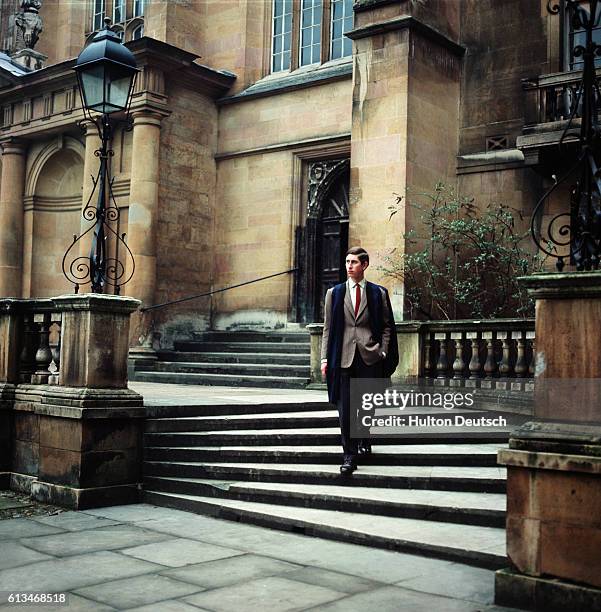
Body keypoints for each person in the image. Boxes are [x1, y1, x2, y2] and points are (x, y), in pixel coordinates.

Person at [321, 246, 398, 474]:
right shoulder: (334, 293)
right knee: (345, 408)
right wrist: (325, 358)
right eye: (347, 262)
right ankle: (348, 455)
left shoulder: (378, 293)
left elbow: (387, 326)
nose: (349, 266)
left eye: (353, 262)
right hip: (342, 358)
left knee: (367, 405)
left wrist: (382, 351)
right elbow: (327, 329)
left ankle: (364, 437)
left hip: (369, 357)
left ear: (364, 265)